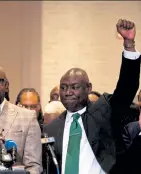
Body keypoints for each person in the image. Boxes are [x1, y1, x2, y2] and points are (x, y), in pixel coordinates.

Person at [43, 19, 140, 174]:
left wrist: (129, 45)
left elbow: (126, 89)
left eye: (74, 87)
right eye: (63, 87)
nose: (68, 92)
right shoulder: (51, 129)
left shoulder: (103, 112)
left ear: (89, 88)